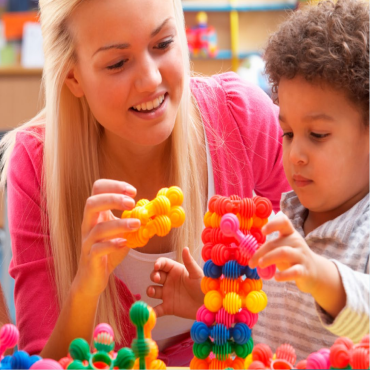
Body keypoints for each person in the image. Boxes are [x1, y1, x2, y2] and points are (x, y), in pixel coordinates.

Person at [1, 0, 290, 365]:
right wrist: (87, 287)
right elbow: (42, 358)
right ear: (73, 76)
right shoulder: (37, 165)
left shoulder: (241, 118)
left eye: (163, 44)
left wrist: (219, 310)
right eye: (118, 63)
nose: (151, 79)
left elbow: (313, 298)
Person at [151, 0, 369, 362]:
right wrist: (213, 306)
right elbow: (259, 324)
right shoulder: (274, 227)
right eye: (287, 133)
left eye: (317, 134)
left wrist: (319, 275)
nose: (296, 153)